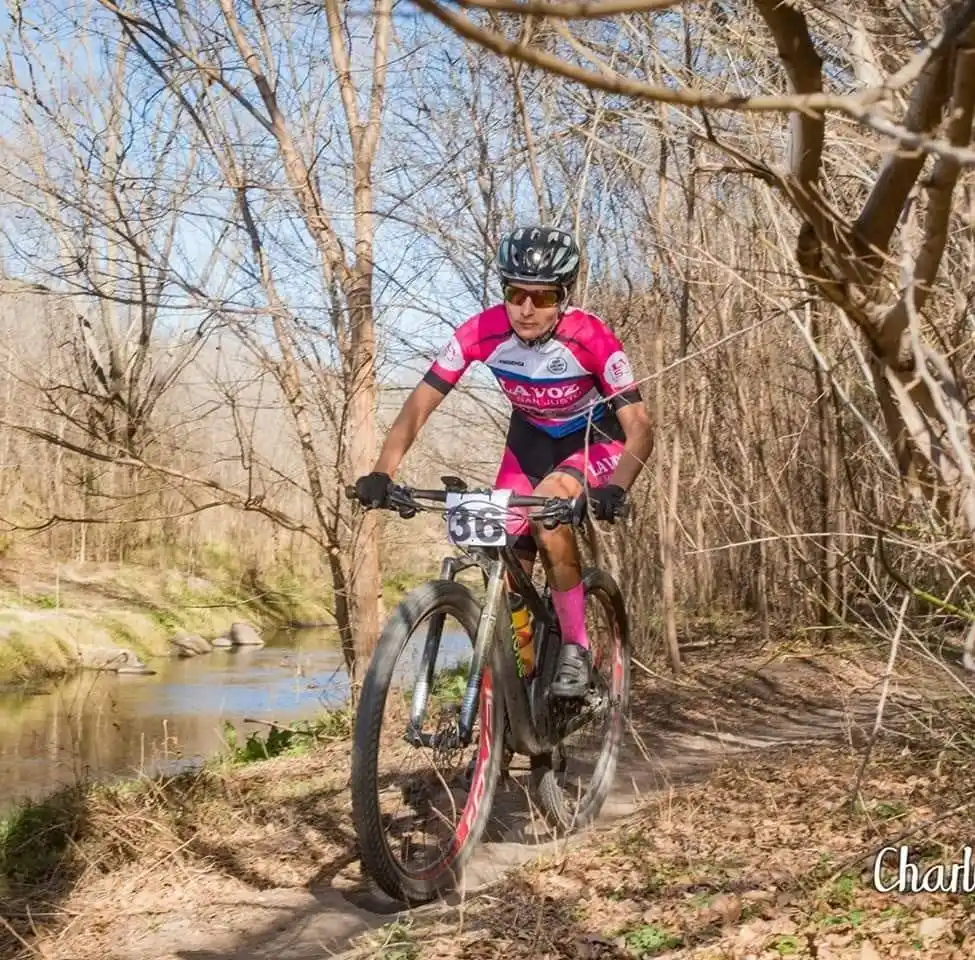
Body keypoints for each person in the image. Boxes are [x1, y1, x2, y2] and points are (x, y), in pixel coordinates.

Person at [353, 225, 654, 698]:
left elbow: (639, 426)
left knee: (550, 512)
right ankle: (523, 684)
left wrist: (617, 486)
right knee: (504, 549)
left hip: (594, 440)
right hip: (530, 441)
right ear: (503, 292)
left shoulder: (592, 338)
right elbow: (418, 406)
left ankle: (575, 647)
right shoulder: (480, 331)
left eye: (542, 296)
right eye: (516, 293)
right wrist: (381, 473)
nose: (527, 309)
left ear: (563, 296)